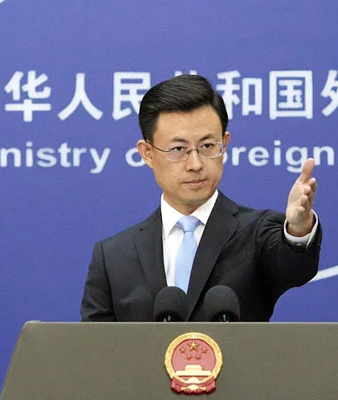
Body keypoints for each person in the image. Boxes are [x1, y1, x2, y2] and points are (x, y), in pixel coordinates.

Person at [80, 74, 321, 322]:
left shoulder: (257, 232)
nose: (195, 164)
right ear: (147, 153)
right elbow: (94, 343)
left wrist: (298, 229)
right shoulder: (113, 256)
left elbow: (294, 269)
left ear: (224, 144)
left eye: (207, 146)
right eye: (178, 149)